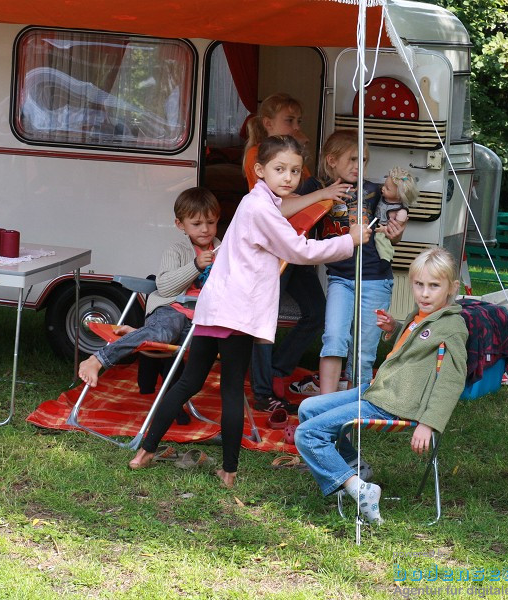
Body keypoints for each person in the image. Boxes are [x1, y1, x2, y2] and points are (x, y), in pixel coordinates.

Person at [128, 135, 370, 488]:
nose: (288, 177)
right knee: (230, 390)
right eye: (279, 170)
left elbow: (282, 210)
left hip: (214, 310)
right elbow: (299, 250)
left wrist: (319, 195)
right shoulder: (261, 208)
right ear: (260, 170)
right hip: (236, 314)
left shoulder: (256, 200)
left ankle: (145, 451)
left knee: (187, 383)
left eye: (295, 171)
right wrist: (351, 239)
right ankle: (228, 471)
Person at [294, 248, 468, 524]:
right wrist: (394, 328)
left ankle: (359, 489)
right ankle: (354, 468)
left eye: (434, 286)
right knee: (308, 408)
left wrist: (429, 422)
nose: (424, 293)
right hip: (378, 390)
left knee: (306, 435)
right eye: (419, 284)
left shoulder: (452, 327)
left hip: (394, 403)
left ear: (452, 288)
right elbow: (414, 345)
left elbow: (452, 380)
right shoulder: (422, 315)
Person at [242, 93, 354, 412]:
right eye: (289, 121)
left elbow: (305, 199)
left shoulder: (293, 161)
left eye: (299, 122)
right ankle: (264, 390)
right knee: (264, 321)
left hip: (295, 247)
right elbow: (283, 205)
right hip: (278, 250)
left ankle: (277, 371)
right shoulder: (257, 156)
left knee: (315, 312)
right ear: (268, 125)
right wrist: (323, 192)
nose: (296, 126)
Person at [296, 129, 406, 395]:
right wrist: (324, 193)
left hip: (376, 278)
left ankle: (353, 406)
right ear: (332, 161)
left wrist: (398, 230)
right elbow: (288, 204)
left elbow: (394, 233)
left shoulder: (373, 191)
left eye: (364, 161)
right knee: (333, 337)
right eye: (353, 159)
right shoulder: (317, 188)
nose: (360, 166)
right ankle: (324, 404)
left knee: (363, 350)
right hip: (341, 279)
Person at [77, 187, 220, 389]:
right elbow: (165, 287)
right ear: (181, 225)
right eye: (196, 224)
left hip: (200, 317)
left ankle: (139, 334)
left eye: (211, 222)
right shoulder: (177, 251)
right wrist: (195, 266)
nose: (205, 229)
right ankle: (97, 360)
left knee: (201, 343)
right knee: (163, 333)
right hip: (172, 309)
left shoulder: (222, 252)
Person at [374, 166, 417, 263]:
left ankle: (385, 259)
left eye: (387, 189)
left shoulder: (401, 211)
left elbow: (395, 228)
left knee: (381, 241)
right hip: (375, 224)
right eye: (384, 185)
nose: (383, 188)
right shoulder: (382, 198)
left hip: (384, 229)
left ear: (399, 194)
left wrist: (384, 230)